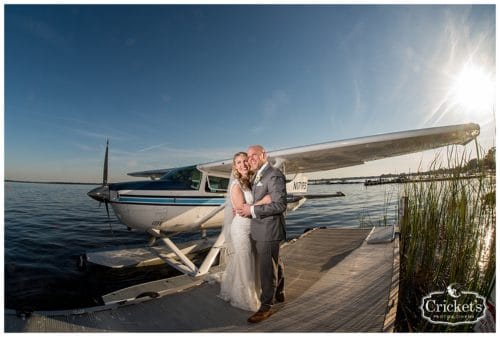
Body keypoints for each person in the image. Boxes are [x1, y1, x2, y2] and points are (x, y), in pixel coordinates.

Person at [237, 145, 287, 324]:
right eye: (248, 156)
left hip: (268, 228)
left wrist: (252, 209)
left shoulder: (273, 174)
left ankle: (266, 306)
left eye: (254, 155)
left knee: (266, 269)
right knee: (273, 261)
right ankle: (279, 291)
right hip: (260, 228)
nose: (251, 159)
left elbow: (280, 205)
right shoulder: (258, 174)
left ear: (264, 154)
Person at [219, 152, 271, 312]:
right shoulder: (236, 185)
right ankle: (245, 299)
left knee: (252, 261)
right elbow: (242, 210)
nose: (243, 165)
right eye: (239, 162)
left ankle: (257, 292)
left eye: (245, 161)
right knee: (245, 261)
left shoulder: (250, 181)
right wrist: (263, 201)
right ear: (235, 166)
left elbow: (250, 207)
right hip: (241, 228)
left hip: (253, 228)